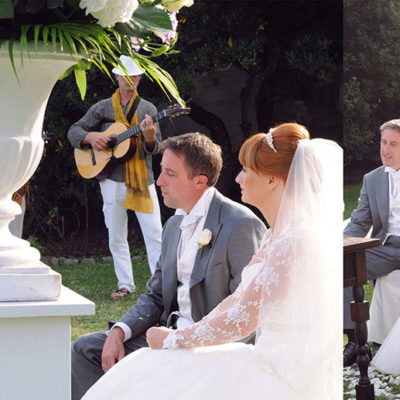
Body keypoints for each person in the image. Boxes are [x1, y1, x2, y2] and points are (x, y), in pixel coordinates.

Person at [82, 123, 343, 400]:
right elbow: (238, 301)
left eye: (246, 170)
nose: (239, 179)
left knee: (148, 378)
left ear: (271, 180)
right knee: (137, 374)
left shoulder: (293, 242)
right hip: (252, 357)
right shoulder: (273, 237)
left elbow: (241, 320)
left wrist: (173, 340)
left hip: (283, 374)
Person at [71, 132, 266, 399]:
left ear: (200, 181)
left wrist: (189, 346)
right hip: (166, 334)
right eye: (161, 171)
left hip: (208, 347)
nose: (160, 181)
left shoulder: (240, 224)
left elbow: (247, 313)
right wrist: (119, 330)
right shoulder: (174, 224)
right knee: (86, 348)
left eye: (170, 174)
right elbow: (155, 294)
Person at [68, 55, 163, 298]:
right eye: (124, 75)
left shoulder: (148, 109)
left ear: (139, 79)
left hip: (143, 177)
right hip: (110, 178)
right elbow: (74, 130)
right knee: (116, 235)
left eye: (133, 76)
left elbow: (156, 148)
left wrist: (150, 137)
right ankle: (125, 285)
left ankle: (159, 287)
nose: (128, 80)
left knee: (154, 234)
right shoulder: (102, 108)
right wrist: (91, 138)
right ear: (117, 76)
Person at [343, 119, 400, 367]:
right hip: (387, 248)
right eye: (383, 142)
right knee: (343, 264)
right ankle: (356, 339)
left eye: (394, 144)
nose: (385, 149)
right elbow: (359, 222)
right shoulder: (372, 179)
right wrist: (341, 244)